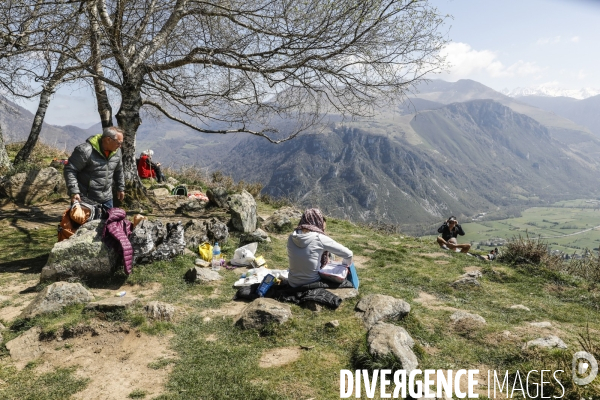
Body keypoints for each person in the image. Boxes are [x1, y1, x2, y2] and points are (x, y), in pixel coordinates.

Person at [287, 208, 353, 287]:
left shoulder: (291, 236)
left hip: (292, 282)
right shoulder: (319, 238)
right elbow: (348, 254)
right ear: (317, 221)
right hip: (311, 282)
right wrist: (344, 266)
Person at [64, 126, 125, 209]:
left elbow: (119, 170)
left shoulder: (117, 152)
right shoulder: (85, 151)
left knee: (108, 222)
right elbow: (70, 169)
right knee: (82, 222)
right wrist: (74, 192)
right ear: (108, 139)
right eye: (118, 143)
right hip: (86, 198)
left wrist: (120, 188)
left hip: (107, 198)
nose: (120, 146)